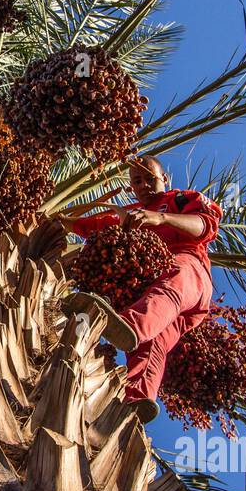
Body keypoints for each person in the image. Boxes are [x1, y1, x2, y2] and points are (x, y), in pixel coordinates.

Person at [65, 155, 222, 421]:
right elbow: (84, 226)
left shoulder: (179, 199)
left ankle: (129, 327)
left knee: (164, 289)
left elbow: (204, 226)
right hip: (162, 306)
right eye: (137, 181)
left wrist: (161, 218)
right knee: (152, 344)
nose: (144, 185)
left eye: (150, 178)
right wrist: (51, 220)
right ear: (131, 187)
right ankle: (137, 403)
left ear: (165, 179)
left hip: (190, 274)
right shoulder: (130, 214)